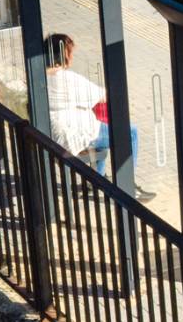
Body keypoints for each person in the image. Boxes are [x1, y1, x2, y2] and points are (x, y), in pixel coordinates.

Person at [42, 34, 151, 199]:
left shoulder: (39, 76)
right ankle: (128, 184)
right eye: (71, 53)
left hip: (52, 133)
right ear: (66, 55)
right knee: (131, 132)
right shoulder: (67, 79)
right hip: (70, 135)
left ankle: (95, 181)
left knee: (99, 132)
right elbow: (103, 95)